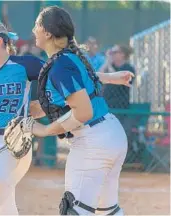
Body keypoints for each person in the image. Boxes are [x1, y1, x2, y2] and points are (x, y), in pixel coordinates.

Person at [0, 18, 133, 215]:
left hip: (12, 141)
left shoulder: (24, 65)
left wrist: (110, 78)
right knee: (2, 205)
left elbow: (68, 75)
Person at [26, 6, 129, 215]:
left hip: (92, 141)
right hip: (111, 134)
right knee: (107, 210)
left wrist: (43, 131)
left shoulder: (60, 65)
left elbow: (82, 113)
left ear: (47, 32)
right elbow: (67, 97)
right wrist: (22, 115)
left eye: (37, 25)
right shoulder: (69, 57)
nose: (33, 29)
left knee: (75, 211)